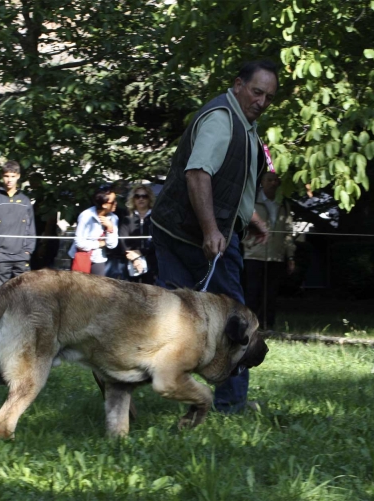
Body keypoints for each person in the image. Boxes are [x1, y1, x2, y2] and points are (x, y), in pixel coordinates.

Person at [150, 60, 277, 414]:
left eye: (268, 96)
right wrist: (211, 230)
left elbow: (226, 181)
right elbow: (198, 173)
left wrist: (247, 215)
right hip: (195, 237)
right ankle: (231, 403)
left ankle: (126, 383)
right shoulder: (222, 119)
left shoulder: (244, 123)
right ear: (238, 84)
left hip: (182, 229)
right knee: (235, 319)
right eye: (256, 92)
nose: (262, 102)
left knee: (166, 318)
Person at [243, 171, 296, 330]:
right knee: (252, 293)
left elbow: (288, 232)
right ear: (262, 182)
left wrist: (290, 257)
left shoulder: (283, 204)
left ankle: (268, 326)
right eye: (269, 180)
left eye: (276, 181)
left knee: (271, 294)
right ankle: (250, 327)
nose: (273, 183)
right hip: (253, 255)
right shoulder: (252, 202)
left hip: (276, 256)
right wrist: (247, 244)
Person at [0, 161, 36, 287]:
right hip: (2, 256)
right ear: (2, 176)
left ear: (18, 176)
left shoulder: (25, 200)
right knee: (1, 295)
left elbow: (31, 228)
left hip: (21, 256)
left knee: (25, 293)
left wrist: (28, 251)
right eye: (6, 176)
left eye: (13, 176)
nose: (9, 180)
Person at [69, 186, 119, 276]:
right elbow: (79, 243)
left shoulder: (114, 218)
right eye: (113, 201)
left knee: (98, 289)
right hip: (80, 257)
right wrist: (100, 244)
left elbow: (112, 245)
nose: (116, 203)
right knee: (78, 288)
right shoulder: (86, 216)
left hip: (98, 259)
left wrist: (110, 228)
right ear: (104, 205)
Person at [119, 184, 158, 284]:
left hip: (152, 263)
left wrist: (140, 252)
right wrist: (135, 259)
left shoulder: (155, 218)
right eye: (137, 196)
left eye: (144, 196)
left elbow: (157, 240)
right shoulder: (127, 218)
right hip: (130, 263)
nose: (141, 199)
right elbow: (123, 240)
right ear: (133, 199)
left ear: (149, 198)